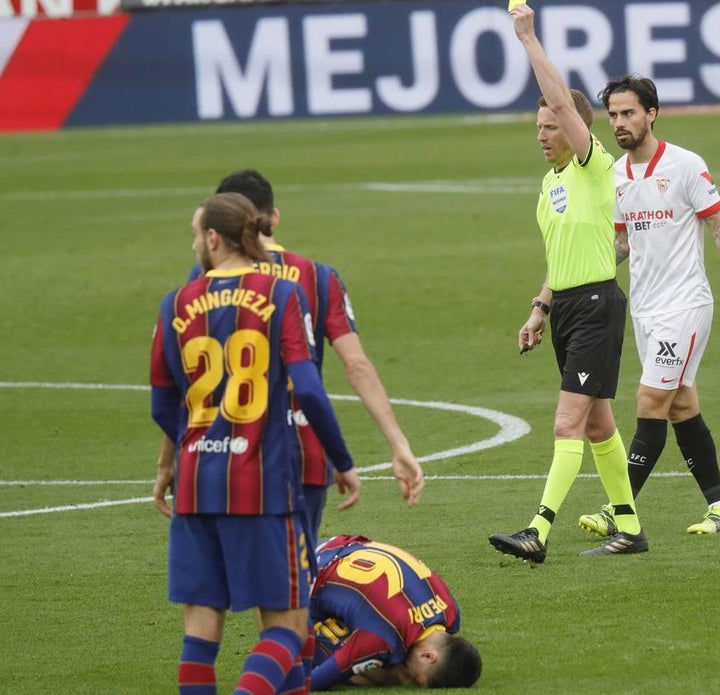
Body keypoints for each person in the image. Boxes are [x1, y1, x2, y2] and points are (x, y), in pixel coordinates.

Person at [150, 192, 362, 694]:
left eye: (195, 233)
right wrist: (341, 459)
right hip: (263, 481)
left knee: (200, 631)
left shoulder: (176, 302)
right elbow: (307, 388)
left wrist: (186, 447)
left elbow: (162, 401)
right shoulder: (279, 293)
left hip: (197, 481)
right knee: (286, 625)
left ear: (213, 238)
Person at [487, 3, 646, 562]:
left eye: (551, 125)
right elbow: (561, 259)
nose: (543, 134)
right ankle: (628, 527)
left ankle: (538, 530)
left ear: (575, 128)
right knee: (599, 423)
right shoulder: (548, 188)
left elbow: (559, 96)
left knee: (567, 422)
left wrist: (528, 39)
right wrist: (539, 308)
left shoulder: (591, 164)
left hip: (600, 305)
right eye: (538, 127)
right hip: (571, 309)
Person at [578, 74, 720, 537]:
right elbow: (624, 242)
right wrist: (589, 271)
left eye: (628, 113)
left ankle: (618, 509)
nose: (619, 123)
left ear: (651, 114)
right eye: (613, 116)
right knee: (681, 407)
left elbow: (717, 222)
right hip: (645, 308)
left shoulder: (685, 165)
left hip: (684, 306)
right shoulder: (617, 175)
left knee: (650, 401)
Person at [211, 169, 424, 541]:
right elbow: (356, 364)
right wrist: (397, 443)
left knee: (231, 582)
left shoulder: (206, 285)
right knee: (293, 577)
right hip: (302, 451)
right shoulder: (317, 276)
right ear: (273, 217)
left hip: (224, 449)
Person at [308, 534, 482, 689]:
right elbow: (311, 682)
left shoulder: (450, 610)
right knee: (383, 674)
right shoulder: (382, 638)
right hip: (299, 576)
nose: (411, 678)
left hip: (336, 546)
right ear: (429, 656)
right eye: (417, 679)